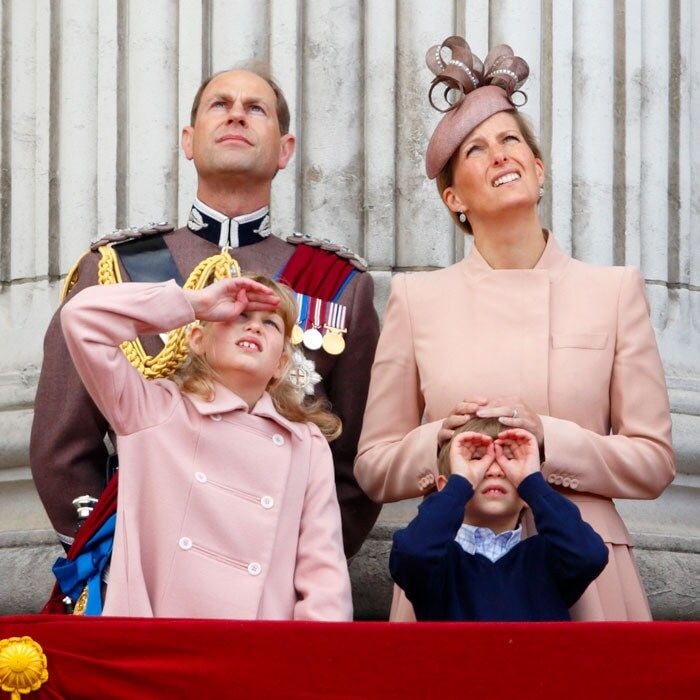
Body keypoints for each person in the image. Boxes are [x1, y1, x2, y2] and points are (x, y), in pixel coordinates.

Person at [354, 36, 675, 620]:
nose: (500, 154)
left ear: (538, 166)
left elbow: (654, 460)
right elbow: (373, 467)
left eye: (510, 140)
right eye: (476, 149)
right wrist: (442, 443)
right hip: (449, 575)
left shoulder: (614, 290)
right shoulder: (416, 299)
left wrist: (548, 437)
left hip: (587, 570)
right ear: (454, 197)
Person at [31, 65, 380, 560]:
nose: (237, 114)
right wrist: (107, 556)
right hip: (142, 560)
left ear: (285, 150)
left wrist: (301, 563)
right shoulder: (113, 270)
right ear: (189, 141)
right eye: (220, 104)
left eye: (256, 109)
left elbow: (353, 460)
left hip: (272, 571)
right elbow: (61, 445)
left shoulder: (340, 287)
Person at [54, 271, 352, 620]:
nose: (254, 327)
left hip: (258, 655)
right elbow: (82, 318)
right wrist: (196, 304)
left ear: (281, 365)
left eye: (270, 323)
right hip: (158, 647)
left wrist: (306, 664)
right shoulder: (150, 411)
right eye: (238, 316)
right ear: (197, 338)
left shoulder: (305, 444)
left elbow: (324, 573)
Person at [390, 417, 608, 621]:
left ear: (526, 493)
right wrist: (460, 483)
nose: (494, 471)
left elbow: (589, 555)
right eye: (477, 459)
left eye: (508, 461)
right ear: (445, 488)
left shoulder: (548, 560)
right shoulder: (437, 563)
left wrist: (532, 483)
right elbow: (413, 552)